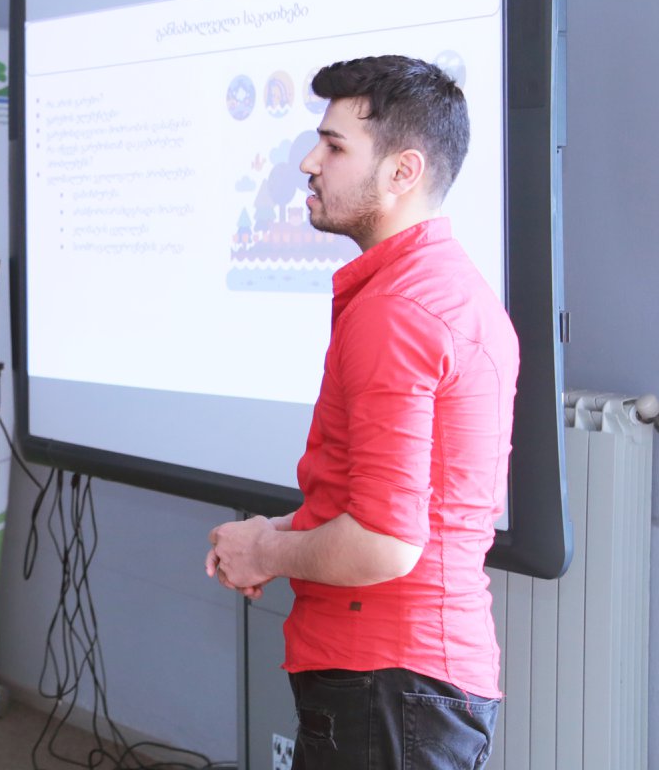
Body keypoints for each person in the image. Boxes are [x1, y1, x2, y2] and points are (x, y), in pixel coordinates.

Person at [206, 56, 519, 769]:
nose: (309, 163)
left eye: (335, 145)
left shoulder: (399, 309)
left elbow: (385, 541)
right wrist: (272, 532)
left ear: (403, 171)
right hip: (410, 682)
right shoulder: (444, 289)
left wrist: (265, 552)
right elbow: (401, 508)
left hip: (388, 679)